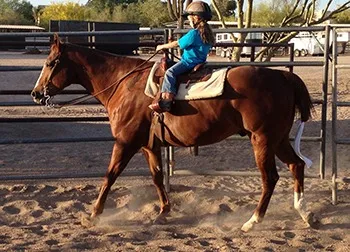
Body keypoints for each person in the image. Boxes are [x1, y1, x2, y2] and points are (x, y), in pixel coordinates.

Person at [149, 1, 215, 113]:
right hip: (200, 62)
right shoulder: (207, 33)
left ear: (196, 17)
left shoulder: (194, 33)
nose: (188, 19)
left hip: (189, 62)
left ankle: (167, 100)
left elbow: (178, 44)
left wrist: (162, 46)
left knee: (170, 73)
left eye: (189, 17)